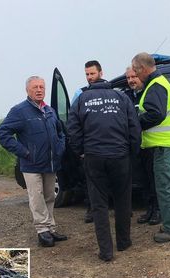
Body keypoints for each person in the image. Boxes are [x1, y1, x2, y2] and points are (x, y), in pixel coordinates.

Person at [67, 74, 141, 261]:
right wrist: (132, 153)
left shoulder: (82, 99)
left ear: (91, 84)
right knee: (123, 200)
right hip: (120, 155)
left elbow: (72, 129)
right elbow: (135, 128)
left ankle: (106, 251)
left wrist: (81, 152)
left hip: (94, 156)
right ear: (106, 82)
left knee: (99, 204)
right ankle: (124, 242)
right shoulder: (121, 97)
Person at [0, 76, 67, 247]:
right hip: (31, 164)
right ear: (27, 90)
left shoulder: (49, 110)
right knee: (37, 197)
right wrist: (24, 152)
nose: (39, 90)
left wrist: (60, 146)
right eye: (35, 87)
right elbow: (3, 133)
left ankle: (50, 227)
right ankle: (42, 230)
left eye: (42, 87)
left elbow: (60, 131)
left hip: (50, 163)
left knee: (50, 196)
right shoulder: (19, 111)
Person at [131, 52, 170, 243]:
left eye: (136, 71)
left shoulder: (155, 86)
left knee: (165, 187)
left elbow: (156, 114)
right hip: (169, 142)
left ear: (142, 69)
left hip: (163, 143)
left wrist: (135, 122)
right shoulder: (160, 83)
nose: (135, 75)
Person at [125, 66, 160, 226]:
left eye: (134, 77)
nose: (131, 80)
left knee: (154, 180)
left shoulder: (148, 93)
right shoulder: (126, 97)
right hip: (137, 146)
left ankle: (157, 211)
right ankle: (149, 209)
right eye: (128, 78)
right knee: (143, 181)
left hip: (152, 144)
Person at [73, 60, 104, 224]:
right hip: (89, 145)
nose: (90, 77)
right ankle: (91, 209)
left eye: (92, 73)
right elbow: (74, 122)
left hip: (109, 144)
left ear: (101, 73)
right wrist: (79, 148)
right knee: (89, 180)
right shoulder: (80, 94)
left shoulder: (110, 91)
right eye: (87, 74)